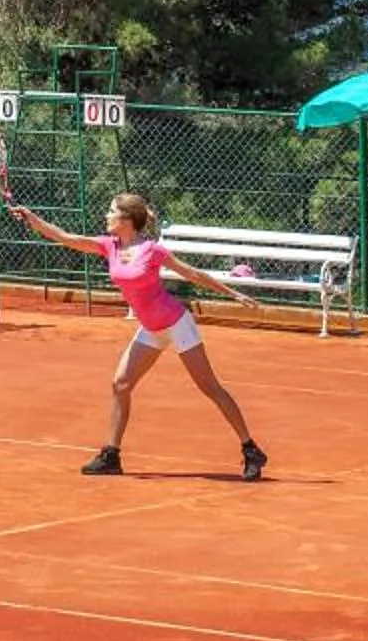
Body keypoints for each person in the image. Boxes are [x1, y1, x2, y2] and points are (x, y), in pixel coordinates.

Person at [17, 190, 266, 480]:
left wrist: (235, 293)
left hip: (176, 324)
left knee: (209, 387)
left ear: (127, 219)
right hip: (150, 328)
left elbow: (193, 274)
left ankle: (251, 450)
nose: (106, 215)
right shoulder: (108, 246)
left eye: (112, 211)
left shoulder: (152, 250)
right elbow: (66, 238)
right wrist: (34, 220)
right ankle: (111, 455)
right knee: (121, 384)